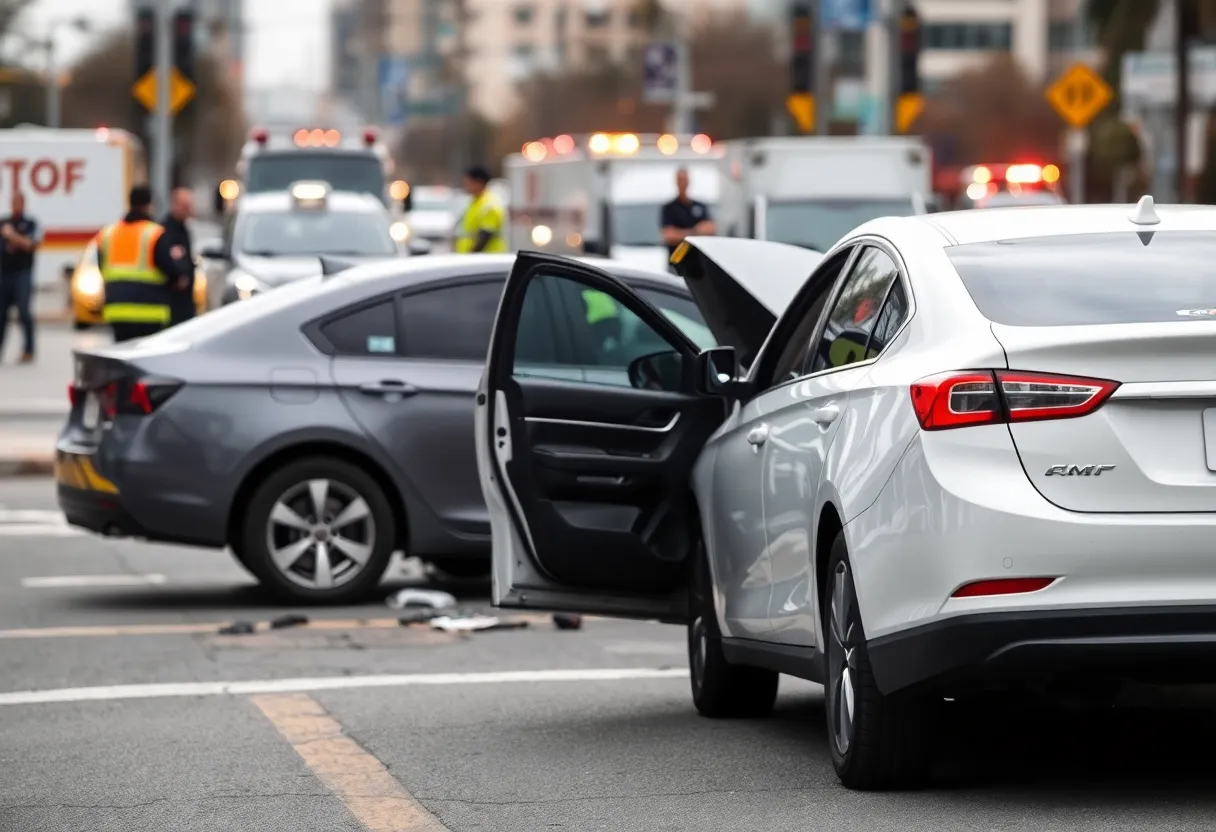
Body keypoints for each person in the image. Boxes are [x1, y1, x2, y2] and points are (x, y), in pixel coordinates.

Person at [96, 185, 190, 343]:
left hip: (116, 309)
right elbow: (168, 266)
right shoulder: (154, 234)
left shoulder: (109, 233)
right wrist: (180, 277)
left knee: (123, 359)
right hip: (149, 311)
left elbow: (102, 266)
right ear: (148, 205)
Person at [0, 191, 41, 363]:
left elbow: (31, 244)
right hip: (4, 273)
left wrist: (12, 236)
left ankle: (28, 350)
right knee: (1, 314)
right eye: (14, 202)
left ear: (23, 204)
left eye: (19, 202)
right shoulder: (4, 222)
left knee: (24, 312)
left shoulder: (30, 223)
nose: (16, 205)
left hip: (23, 273)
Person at [660, 167, 715, 263]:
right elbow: (669, 236)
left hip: (698, 262)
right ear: (676, 182)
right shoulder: (669, 208)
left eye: (684, 180)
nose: (682, 184)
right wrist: (695, 232)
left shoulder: (699, 206)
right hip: (677, 262)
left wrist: (680, 234)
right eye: (680, 180)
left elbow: (710, 229)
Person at [160, 187, 196, 327]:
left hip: (185, 300)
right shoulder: (166, 231)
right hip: (173, 301)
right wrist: (179, 276)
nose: (189, 209)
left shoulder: (184, 229)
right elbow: (167, 260)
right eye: (185, 206)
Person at [453, 165, 507, 253]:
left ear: (479, 182)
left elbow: (484, 238)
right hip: (475, 260)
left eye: (468, 182)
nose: (465, 185)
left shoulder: (489, 205)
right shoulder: (475, 202)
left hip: (486, 260)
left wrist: (470, 257)